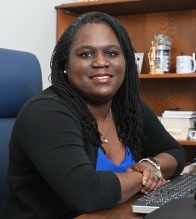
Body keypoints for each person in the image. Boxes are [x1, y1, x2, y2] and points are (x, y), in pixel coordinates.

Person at [1, 12, 186, 219]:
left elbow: (174, 152)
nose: (101, 62)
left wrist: (151, 165)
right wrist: (142, 176)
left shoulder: (128, 107)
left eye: (112, 53)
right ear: (65, 64)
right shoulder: (45, 113)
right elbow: (88, 194)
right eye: (86, 54)